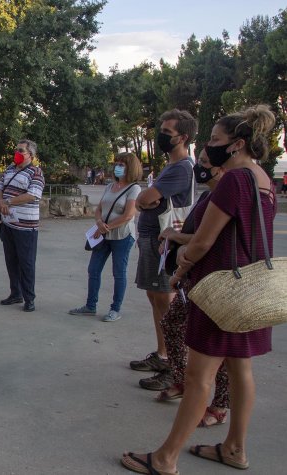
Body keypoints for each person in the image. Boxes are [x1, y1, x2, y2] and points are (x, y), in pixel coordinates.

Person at [121, 106, 276, 475]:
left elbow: (204, 242)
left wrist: (180, 270)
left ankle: (165, 458)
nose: (209, 147)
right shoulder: (262, 180)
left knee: (198, 378)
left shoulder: (236, 181)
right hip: (248, 289)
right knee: (241, 371)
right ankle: (235, 448)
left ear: (237, 144)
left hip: (219, 289)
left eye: (216, 140)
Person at [147, 149, 230, 427]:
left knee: (219, 348)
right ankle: (180, 378)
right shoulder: (207, 197)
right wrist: (174, 242)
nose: (200, 168)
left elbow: (206, 239)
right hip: (194, 277)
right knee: (173, 323)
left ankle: (219, 405)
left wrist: (175, 237)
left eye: (205, 163)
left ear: (221, 167)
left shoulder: (225, 198)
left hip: (215, 280)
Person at [129, 109, 195, 386]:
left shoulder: (181, 168)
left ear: (184, 137)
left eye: (167, 133)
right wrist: (145, 201)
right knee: (156, 298)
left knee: (165, 300)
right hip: (153, 238)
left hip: (162, 242)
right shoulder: (170, 167)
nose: (161, 136)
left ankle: (173, 365)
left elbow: (145, 197)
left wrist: (146, 200)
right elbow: (143, 201)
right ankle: (163, 354)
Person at [69, 153, 141, 321]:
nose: (118, 167)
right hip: (103, 235)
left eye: (122, 164)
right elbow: (99, 208)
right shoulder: (110, 186)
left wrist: (105, 227)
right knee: (93, 269)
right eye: (117, 163)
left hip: (122, 236)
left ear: (130, 167)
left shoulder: (134, 188)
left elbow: (128, 215)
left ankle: (115, 309)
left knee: (119, 272)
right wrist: (99, 222)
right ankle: (90, 305)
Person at [0, 140, 45, 312]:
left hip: (25, 226)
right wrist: (0, 201)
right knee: (11, 260)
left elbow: (33, 195)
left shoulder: (36, 172)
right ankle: (15, 293)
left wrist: (8, 201)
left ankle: (29, 297)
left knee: (27, 262)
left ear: (30, 155)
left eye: (21, 150)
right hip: (8, 223)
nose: (16, 152)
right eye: (16, 149)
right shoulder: (9, 169)